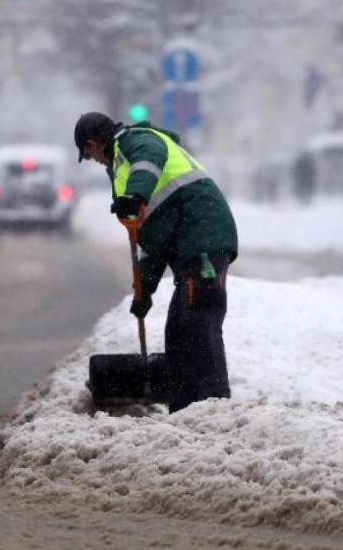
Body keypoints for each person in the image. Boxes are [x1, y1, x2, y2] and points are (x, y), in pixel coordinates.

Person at [74, 112, 238, 413]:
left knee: (199, 318)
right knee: (177, 331)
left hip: (203, 234)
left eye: (88, 153)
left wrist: (136, 195)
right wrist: (144, 291)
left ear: (93, 143)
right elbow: (151, 242)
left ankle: (216, 404)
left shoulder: (137, 141)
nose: (93, 159)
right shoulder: (121, 168)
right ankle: (184, 407)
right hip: (187, 240)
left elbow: (150, 158)